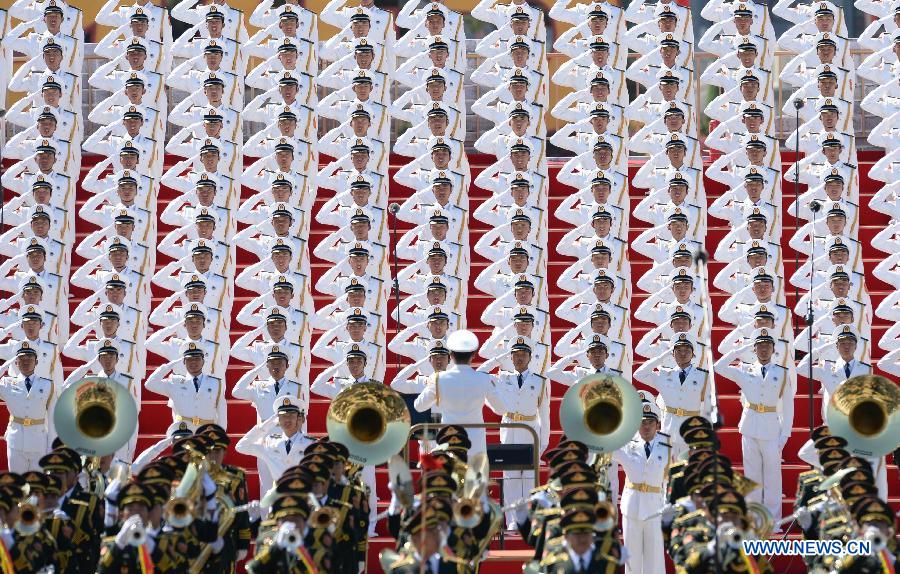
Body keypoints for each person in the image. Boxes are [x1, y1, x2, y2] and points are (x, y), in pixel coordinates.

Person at [414, 329, 507, 454]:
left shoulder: (438, 379)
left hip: (449, 439)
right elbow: (500, 409)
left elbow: (419, 406)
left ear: (451, 356)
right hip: (475, 443)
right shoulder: (484, 379)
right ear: (473, 355)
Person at [612, 397, 670, 574]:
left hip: (655, 507)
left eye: (650, 422)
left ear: (657, 424)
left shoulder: (668, 445)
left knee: (655, 559)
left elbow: (671, 479)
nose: (646, 426)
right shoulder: (627, 444)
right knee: (633, 559)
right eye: (642, 422)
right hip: (632, 507)